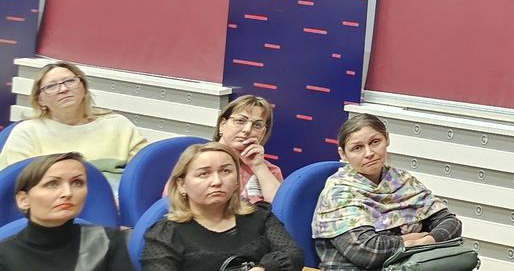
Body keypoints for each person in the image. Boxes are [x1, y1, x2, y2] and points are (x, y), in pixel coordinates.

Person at [311, 114, 463, 271]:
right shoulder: (339, 193)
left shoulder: (402, 180)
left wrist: (423, 242)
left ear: (387, 139)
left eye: (375, 142)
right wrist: (412, 241)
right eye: (357, 148)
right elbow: (368, 252)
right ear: (343, 154)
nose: (369, 153)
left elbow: (452, 224)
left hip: (409, 265)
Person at [138, 142, 302, 271]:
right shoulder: (165, 235)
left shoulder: (259, 215)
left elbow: (293, 254)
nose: (217, 181)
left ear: (236, 181)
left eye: (225, 171)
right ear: (182, 185)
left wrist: (263, 268)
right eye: (204, 174)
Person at [0, 151, 135, 271]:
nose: (68, 193)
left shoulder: (107, 240)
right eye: (52, 184)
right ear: (23, 200)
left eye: (77, 183)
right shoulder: (4, 255)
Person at [0, 62, 147, 171]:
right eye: (51, 86)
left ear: (84, 88)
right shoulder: (26, 132)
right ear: (40, 100)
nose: (63, 89)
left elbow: (145, 172)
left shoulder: (118, 125)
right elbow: (14, 183)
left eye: (70, 81)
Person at [212, 96, 284, 205]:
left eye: (257, 125)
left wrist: (258, 167)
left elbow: (280, 207)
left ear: (262, 134)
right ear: (222, 125)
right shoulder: (198, 160)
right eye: (240, 121)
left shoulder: (270, 170)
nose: (247, 130)